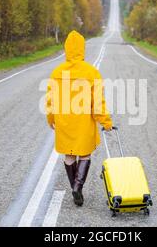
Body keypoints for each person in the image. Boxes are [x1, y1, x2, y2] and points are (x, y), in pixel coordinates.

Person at [46, 30, 113, 206]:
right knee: (84, 154)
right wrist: (106, 122)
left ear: (66, 49)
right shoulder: (91, 73)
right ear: (82, 49)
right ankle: (77, 186)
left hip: (65, 121)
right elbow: (98, 103)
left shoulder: (57, 72)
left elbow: (50, 100)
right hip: (83, 123)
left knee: (69, 154)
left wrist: (51, 119)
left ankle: (76, 189)